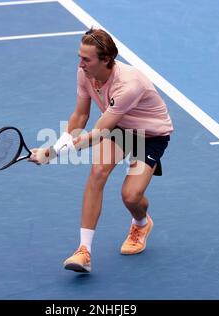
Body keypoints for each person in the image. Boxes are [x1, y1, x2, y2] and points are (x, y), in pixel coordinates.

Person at [29, 28, 173, 273]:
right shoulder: (84, 73)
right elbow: (80, 115)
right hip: (120, 128)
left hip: (149, 135)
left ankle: (141, 223)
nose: (80, 64)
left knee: (130, 196)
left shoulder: (128, 85)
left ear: (106, 60)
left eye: (86, 59)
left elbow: (98, 134)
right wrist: (59, 144)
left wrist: (51, 153)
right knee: (98, 173)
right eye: (79, 57)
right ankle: (83, 252)